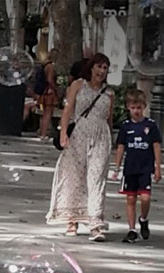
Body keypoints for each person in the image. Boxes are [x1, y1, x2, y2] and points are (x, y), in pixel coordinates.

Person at [45, 53, 114, 241]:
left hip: (100, 137)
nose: (101, 71)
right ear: (91, 68)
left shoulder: (109, 93)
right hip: (79, 134)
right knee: (74, 177)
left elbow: (109, 119)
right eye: (98, 66)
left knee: (97, 179)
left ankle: (95, 222)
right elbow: (67, 110)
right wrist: (63, 132)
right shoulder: (78, 85)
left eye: (105, 68)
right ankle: (72, 219)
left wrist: (113, 143)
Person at [112, 89, 162, 243]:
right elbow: (120, 147)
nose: (136, 111)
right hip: (130, 168)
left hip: (145, 167)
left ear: (144, 106)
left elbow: (156, 146)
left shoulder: (150, 125)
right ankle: (132, 229)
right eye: (133, 108)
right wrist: (117, 167)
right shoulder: (125, 127)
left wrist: (157, 167)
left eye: (139, 108)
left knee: (145, 198)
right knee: (131, 198)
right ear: (128, 107)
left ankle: (144, 218)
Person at [35, 49, 59, 141]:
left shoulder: (44, 65)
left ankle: (42, 132)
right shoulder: (51, 67)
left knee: (44, 113)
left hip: (43, 92)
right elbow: (49, 80)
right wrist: (55, 89)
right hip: (49, 92)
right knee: (48, 113)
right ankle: (43, 134)